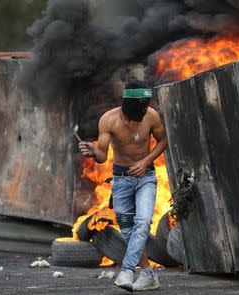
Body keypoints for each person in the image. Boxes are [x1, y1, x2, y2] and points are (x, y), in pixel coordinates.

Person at [78, 80, 167, 292]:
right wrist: (92, 152)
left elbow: (163, 141)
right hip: (121, 180)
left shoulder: (151, 116)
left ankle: (127, 270)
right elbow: (102, 157)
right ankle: (147, 274)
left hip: (146, 177)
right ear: (129, 104)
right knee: (128, 229)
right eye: (142, 106)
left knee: (143, 221)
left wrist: (145, 162)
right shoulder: (108, 120)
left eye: (147, 105)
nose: (145, 109)